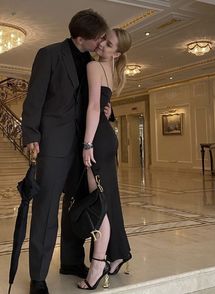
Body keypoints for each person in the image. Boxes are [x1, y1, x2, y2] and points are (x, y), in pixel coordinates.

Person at [21, 9, 110, 294]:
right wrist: (31, 134)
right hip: (54, 146)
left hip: (83, 148)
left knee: (78, 206)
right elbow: (34, 97)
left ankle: (71, 261)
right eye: (97, 38)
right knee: (45, 210)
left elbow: (94, 101)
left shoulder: (92, 63)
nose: (101, 42)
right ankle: (38, 277)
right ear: (81, 37)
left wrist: (110, 111)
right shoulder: (49, 54)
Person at [77, 28, 132, 290]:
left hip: (98, 140)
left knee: (99, 202)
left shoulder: (93, 66)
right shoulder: (110, 70)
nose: (101, 46)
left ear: (117, 52)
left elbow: (94, 107)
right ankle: (119, 253)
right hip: (107, 137)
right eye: (102, 40)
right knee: (108, 197)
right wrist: (108, 117)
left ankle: (98, 264)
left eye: (108, 45)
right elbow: (105, 109)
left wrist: (87, 143)